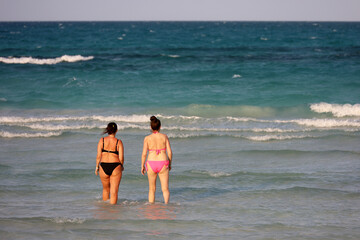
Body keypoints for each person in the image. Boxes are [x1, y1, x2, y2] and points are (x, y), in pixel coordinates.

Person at [141, 116, 173, 204]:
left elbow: (144, 153)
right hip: (163, 162)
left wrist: (142, 165)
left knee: (152, 189)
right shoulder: (164, 137)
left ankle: (151, 208)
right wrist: (169, 164)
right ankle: (167, 206)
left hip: (151, 163)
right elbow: (170, 152)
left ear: (151, 127)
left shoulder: (147, 138)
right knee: (165, 189)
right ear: (160, 127)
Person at [95, 122, 124, 204]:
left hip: (103, 166)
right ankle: (113, 212)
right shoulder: (118, 142)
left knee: (105, 189)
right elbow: (121, 158)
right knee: (114, 191)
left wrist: (97, 167)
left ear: (107, 130)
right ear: (116, 131)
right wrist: (121, 166)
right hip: (115, 166)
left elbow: (98, 156)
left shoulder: (102, 140)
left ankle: (106, 212)